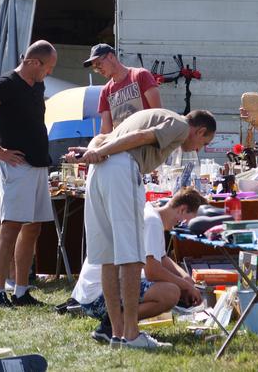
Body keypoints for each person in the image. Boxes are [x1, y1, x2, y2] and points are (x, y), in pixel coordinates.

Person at [65, 108, 215, 349]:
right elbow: (142, 137)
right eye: (203, 142)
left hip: (99, 170)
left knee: (108, 257)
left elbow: (104, 137)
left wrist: (93, 152)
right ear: (199, 130)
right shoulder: (180, 125)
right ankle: (131, 335)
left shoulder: (154, 116)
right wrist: (99, 152)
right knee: (131, 256)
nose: (198, 148)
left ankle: (116, 334)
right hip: (120, 167)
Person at [0, 40, 57, 308]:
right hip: (16, 166)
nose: (49, 73)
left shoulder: (37, 84)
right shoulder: (6, 83)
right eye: (47, 67)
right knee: (11, 227)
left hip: (39, 164)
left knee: (33, 228)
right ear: (32, 62)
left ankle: (21, 291)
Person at [72, 187, 207, 345]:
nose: (184, 225)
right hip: (96, 296)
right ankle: (112, 327)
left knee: (173, 287)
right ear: (182, 209)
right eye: (188, 220)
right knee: (170, 292)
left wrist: (185, 278)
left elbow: (162, 258)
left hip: (92, 292)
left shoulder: (152, 215)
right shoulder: (152, 222)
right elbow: (152, 271)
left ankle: (115, 325)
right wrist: (185, 286)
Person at [83, 43, 162, 133]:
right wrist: (95, 145)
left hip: (146, 141)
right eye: (95, 68)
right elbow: (106, 130)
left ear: (111, 57)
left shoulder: (141, 75)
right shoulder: (105, 91)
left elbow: (159, 113)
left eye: (98, 64)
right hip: (123, 145)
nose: (98, 70)